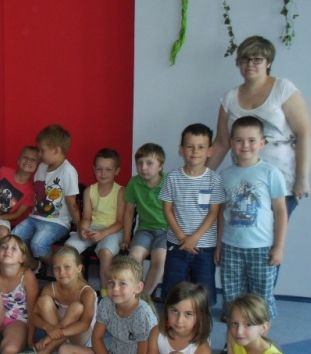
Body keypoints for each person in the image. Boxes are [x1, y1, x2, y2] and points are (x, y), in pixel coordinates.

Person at [208, 35, 311, 217]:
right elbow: (221, 143)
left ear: (268, 63)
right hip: (243, 185)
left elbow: (304, 133)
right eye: (245, 59)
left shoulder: (283, 89)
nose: (250, 64)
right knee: (245, 233)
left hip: (281, 186)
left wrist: (302, 179)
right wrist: (200, 177)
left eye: (257, 59)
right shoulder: (229, 98)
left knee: (272, 234)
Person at [216, 116, 288, 354]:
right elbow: (222, 214)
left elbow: (280, 211)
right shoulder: (225, 175)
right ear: (231, 142)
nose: (245, 145)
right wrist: (219, 245)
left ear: (262, 143)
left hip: (261, 249)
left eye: (251, 140)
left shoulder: (271, 173)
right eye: (239, 140)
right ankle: (232, 346)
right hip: (231, 248)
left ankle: (260, 347)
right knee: (232, 301)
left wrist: (279, 246)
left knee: (260, 301)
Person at [51, 256, 158, 354]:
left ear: (138, 288)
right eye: (111, 282)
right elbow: (97, 338)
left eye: (123, 283)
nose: (115, 288)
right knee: (64, 351)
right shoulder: (107, 302)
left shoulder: (143, 315)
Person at [159, 123, 225, 306]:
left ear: (209, 151)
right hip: (177, 245)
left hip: (204, 247)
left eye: (201, 147)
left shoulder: (215, 179)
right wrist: (183, 238)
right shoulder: (172, 178)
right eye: (190, 146)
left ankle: (201, 322)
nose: (195, 151)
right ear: (181, 150)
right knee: (173, 290)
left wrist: (194, 238)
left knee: (204, 292)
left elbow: (214, 212)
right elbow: (167, 209)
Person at [12, 245, 95, 354]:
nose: (62, 272)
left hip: (80, 338)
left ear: (79, 268)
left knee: (77, 307)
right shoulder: (51, 288)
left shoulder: (87, 292)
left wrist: (51, 336)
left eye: (67, 267)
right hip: (60, 332)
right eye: (57, 268)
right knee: (43, 301)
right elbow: (33, 317)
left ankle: (45, 353)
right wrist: (48, 328)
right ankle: (59, 346)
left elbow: (84, 325)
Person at [13, 124, 80, 274]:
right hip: (35, 217)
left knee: (38, 244)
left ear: (56, 150)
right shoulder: (42, 167)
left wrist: (80, 226)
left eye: (42, 150)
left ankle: (64, 271)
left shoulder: (68, 171)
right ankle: (36, 265)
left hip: (57, 222)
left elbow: (72, 203)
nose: (39, 154)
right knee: (14, 239)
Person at [65, 148, 126, 296]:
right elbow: (86, 217)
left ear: (117, 171)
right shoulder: (89, 191)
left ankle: (105, 293)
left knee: (105, 253)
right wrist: (82, 229)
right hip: (93, 227)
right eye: (99, 169)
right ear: (94, 169)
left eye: (108, 169)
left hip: (113, 230)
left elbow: (120, 222)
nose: (103, 173)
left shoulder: (120, 192)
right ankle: (76, 287)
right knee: (69, 249)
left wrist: (103, 233)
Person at [122, 143, 168, 299]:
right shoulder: (134, 182)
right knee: (134, 257)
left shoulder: (169, 182)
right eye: (139, 163)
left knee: (159, 260)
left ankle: (145, 297)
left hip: (166, 231)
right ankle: (136, 291)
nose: (143, 168)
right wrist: (126, 237)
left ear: (160, 166)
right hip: (144, 230)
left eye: (149, 163)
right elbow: (129, 211)